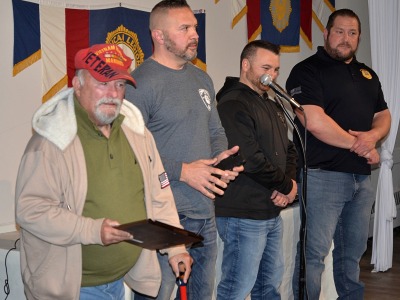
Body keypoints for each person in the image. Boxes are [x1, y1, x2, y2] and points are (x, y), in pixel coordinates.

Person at [15, 43, 192, 300]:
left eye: (120, 85)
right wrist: (92, 230)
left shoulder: (138, 135)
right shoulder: (50, 143)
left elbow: (159, 194)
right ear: (77, 84)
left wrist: (176, 248)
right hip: (74, 288)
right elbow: (30, 210)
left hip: (120, 282)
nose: (113, 93)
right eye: (103, 83)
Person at [125, 1, 242, 299]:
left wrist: (219, 163)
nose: (195, 34)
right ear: (159, 36)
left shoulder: (202, 78)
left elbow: (215, 130)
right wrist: (183, 171)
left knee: (203, 293)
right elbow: (129, 153)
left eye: (195, 27)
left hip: (205, 211)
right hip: (165, 216)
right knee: (161, 294)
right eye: (185, 28)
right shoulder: (139, 84)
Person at [286, 9, 391, 299]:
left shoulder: (367, 74)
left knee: (352, 255)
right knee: (314, 255)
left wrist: (372, 137)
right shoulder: (306, 71)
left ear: (358, 38)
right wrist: (359, 145)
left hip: (360, 178)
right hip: (322, 177)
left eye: (353, 33)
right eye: (340, 31)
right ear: (327, 34)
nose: (346, 39)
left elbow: (383, 114)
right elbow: (314, 121)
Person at [215, 40, 298, 300]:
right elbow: (249, 158)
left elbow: (290, 150)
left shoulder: (272, 103)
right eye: (266, 67)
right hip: (243, 212)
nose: (271, 75)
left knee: (269, 287)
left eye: (275, 70)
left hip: (270, 209)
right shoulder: (232, 102)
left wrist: (291, 184)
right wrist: (285, 186)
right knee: (237, 288)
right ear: (245, 65)